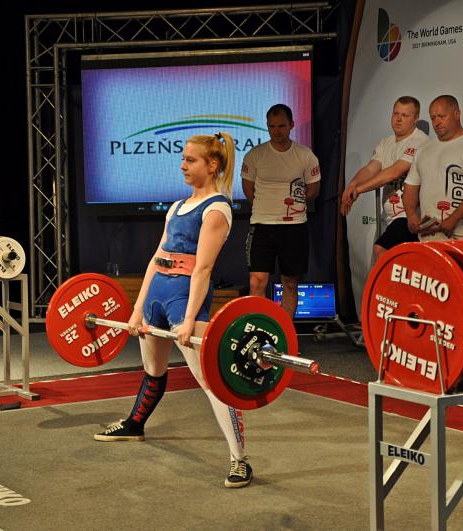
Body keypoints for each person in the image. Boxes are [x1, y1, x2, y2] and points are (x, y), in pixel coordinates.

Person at [93, 132, 252, 488]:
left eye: (190, 160)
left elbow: (203, 269)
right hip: (156, 296)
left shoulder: (217, 209)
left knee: (212, 381)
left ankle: (240, 459)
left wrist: (191, 318)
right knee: (153, 370)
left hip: (183, 298)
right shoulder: (177, 207)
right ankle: (135, 424)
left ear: (212, 165)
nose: (182, 165)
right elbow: (156, 257)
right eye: (182, 158)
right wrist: (137, 309)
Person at [241, 104, 320, 320]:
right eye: (272, 126)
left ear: (291, 125)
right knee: (257, 281)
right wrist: (268, 208)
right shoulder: (255, 155)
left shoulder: (305, 155)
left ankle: (285, 331)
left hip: (294, 227)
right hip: (262, 225)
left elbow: (313, 190)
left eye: (281, 126)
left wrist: (293, 206)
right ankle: (259, 330)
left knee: (291, 283)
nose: (276, 131)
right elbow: (248, 190)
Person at [340, 96, 428, 261]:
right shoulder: (386, 142)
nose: (398, 119)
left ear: (416, 118)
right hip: (389, 217)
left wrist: (358, 190)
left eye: (405, 115)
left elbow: (394, 172)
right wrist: (352, 185)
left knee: (382, 250)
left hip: (409, 217)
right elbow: (371, 168)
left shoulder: (420, 141)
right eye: (396, 113)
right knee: (389, 260)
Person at [403, 95, 463, 240]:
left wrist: (454, 218)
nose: (437, 122)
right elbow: (410, 186)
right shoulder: (423, 150)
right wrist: (411, 215)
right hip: (431, 239)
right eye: (433, 118)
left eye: (441, 116)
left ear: (457, 114)